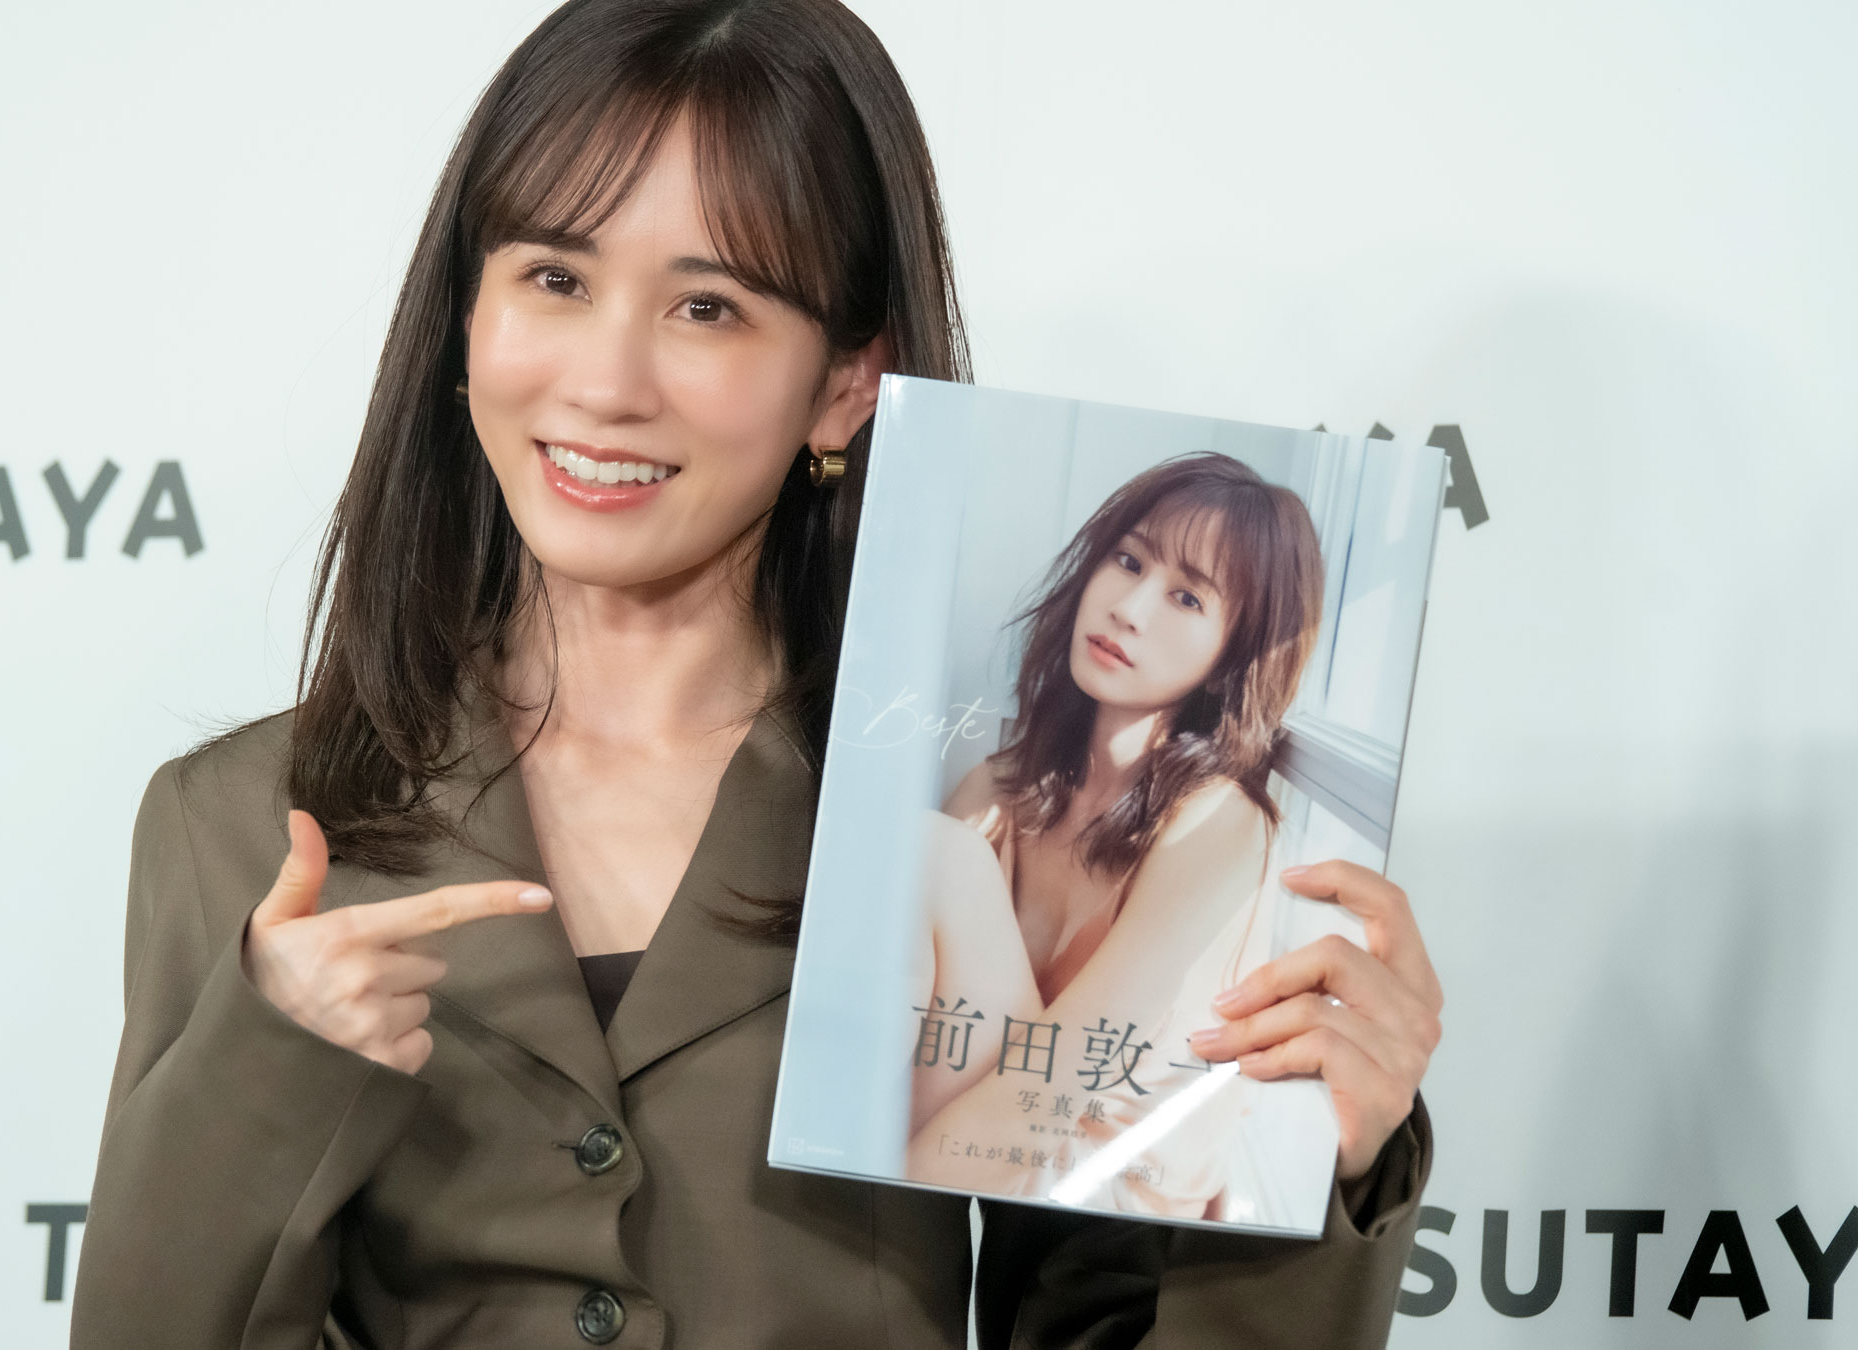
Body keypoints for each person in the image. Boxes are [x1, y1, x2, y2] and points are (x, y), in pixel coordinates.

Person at [71, 3, 1443, 1347]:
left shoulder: (950, 821)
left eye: (708, 307)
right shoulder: (241, 821)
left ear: (847, 384)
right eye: (555, 279)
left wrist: (1316, 1158)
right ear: (466, 315)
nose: (608, 382)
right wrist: (263, 1069)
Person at [905, 456, 1340, 1222]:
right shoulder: (1000, 790)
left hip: (1110, 1211)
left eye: (1186, 597)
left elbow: (1063, 1080)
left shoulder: (1218, 820)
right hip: (991, 1166)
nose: (1130, 609)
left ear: (1231, 657)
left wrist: (881, 1198)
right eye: (1129, 561)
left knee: (937, 853)